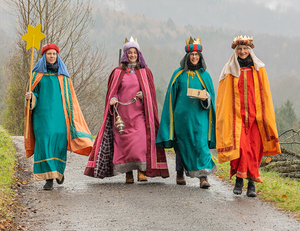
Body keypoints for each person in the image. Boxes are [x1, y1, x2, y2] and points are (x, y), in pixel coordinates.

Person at [84, 37, 169, 183]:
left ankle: (142, 171)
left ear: (138, 54)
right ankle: (128, 173)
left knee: (141, 142)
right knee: (124, 145)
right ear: (125, 55)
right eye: (130, 53)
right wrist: (113, 98)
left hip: (139, 114)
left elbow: (151, 93)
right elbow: (113, 91)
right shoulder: (117, 72)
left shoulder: (144, 72)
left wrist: (143, 94)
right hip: (122, 116)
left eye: (135, 53)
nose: (132, 55)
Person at [216, 36, 281, 197]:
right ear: (236, 51)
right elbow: (223, 97)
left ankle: (251, 183)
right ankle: (239, 180)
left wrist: (264, 117)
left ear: (250, 50)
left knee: (253, 150)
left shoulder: (259, 69)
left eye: (245, 49)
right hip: (236, 120)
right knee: (241, 149)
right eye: (239, 49)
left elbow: (265, 95)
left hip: (255, 119)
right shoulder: (229, 70)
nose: (242, 52)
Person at [25, 43, 93, 190]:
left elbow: (70, 99)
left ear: (57, 56)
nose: (52, 56)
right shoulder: (36, 75)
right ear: (44, 56)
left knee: (59, 144)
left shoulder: (63, 76)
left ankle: (58, 172)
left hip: (60, 117)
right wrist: (31, 97)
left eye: (54, 54)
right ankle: (49, 178)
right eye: (49, 54)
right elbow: (34, 95)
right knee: (44, 143)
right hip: (42, 117)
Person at [156, 37, 216, 188]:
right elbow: (171, 97)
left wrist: (205, 97)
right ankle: (179, 173)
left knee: (201, 145)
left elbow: (211, 100)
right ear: (187, 56)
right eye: (192, 55)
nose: (194, 57)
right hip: (181, 118)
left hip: (200, 118)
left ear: (200, 57)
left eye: (197, 55)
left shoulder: (205, 75)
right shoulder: (179, 74)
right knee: (181, 145)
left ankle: (203, 177)